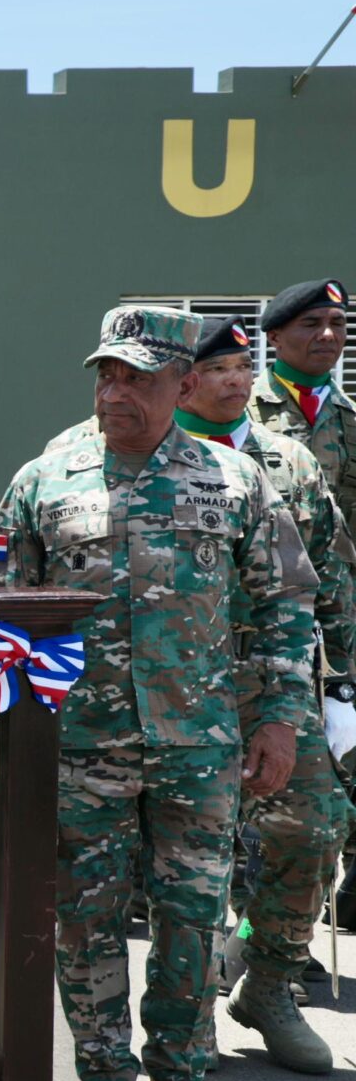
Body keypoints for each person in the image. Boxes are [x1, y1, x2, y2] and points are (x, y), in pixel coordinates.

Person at [0, 306, 312, 1081]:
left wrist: (279, 719)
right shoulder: (46, 481)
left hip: (199, 744)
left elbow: (284, 604)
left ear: (185, 384)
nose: (115, 391)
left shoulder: (234, 483)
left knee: (192, 915)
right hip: (77, 742)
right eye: (106, 374)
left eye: (137, 376)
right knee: (85, 918)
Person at [175, 314, 345, 1075]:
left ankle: (271, 983)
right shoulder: (151, 455)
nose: (237, 380)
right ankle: (189, 1010)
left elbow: (332, 575)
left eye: (244, 369)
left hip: (274, 684)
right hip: (178, 683)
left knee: (315, 825)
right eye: (218, 369)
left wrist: (343, 683)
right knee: (191, 850)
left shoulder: (290, 461)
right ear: (184, 379)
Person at [241, 279, 356, 932]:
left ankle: (304, 915)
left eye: (338, 324)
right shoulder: (239, 412)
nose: (329, 337)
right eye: (312, 324)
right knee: (260, 792)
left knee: (324, 778)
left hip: (323, 627)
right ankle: (256, 928)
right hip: (251, 624)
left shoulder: (346, 420)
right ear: (275, 337)